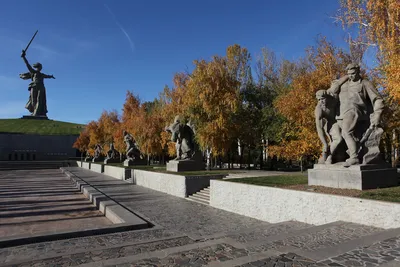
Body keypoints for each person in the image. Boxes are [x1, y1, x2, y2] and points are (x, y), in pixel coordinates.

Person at [327, 64, 384, 166]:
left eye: (353, 73)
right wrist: (342, 80)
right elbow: (331, 91)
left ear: (358, 72)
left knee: (346, 132)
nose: (351, 76)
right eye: (348, 74)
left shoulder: (365, 83)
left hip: (355, 111)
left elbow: (378, 99)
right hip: (339, 115)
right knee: (337, 138)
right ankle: (330, 157)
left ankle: (354, 158)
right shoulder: (343, 84)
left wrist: (377, 114)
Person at [20, 50, 55, 116]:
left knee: (40, 99)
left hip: (41, 87)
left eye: (40, 67)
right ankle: (34, 112)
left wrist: (51, 76)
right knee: (33, 100)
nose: (40, 68)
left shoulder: (42, 74)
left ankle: (37, 113)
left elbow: (47, 76)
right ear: (37, 67)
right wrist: (23, 57)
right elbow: (27, 65)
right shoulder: (33, 72)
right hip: (34, 86)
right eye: (39, 67)